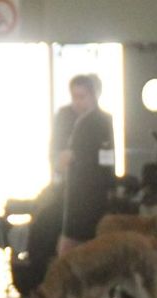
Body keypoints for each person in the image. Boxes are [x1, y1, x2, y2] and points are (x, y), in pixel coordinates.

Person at [58, 74, 115, 255]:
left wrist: (73, 157)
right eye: (74, 97)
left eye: (81, 97)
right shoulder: (88, 119)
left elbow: (105, 158)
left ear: (93, 96)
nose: (77, 102)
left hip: (87, 193)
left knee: (74, 248)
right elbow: (107, 158)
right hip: (86, 191)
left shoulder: (96, 121)